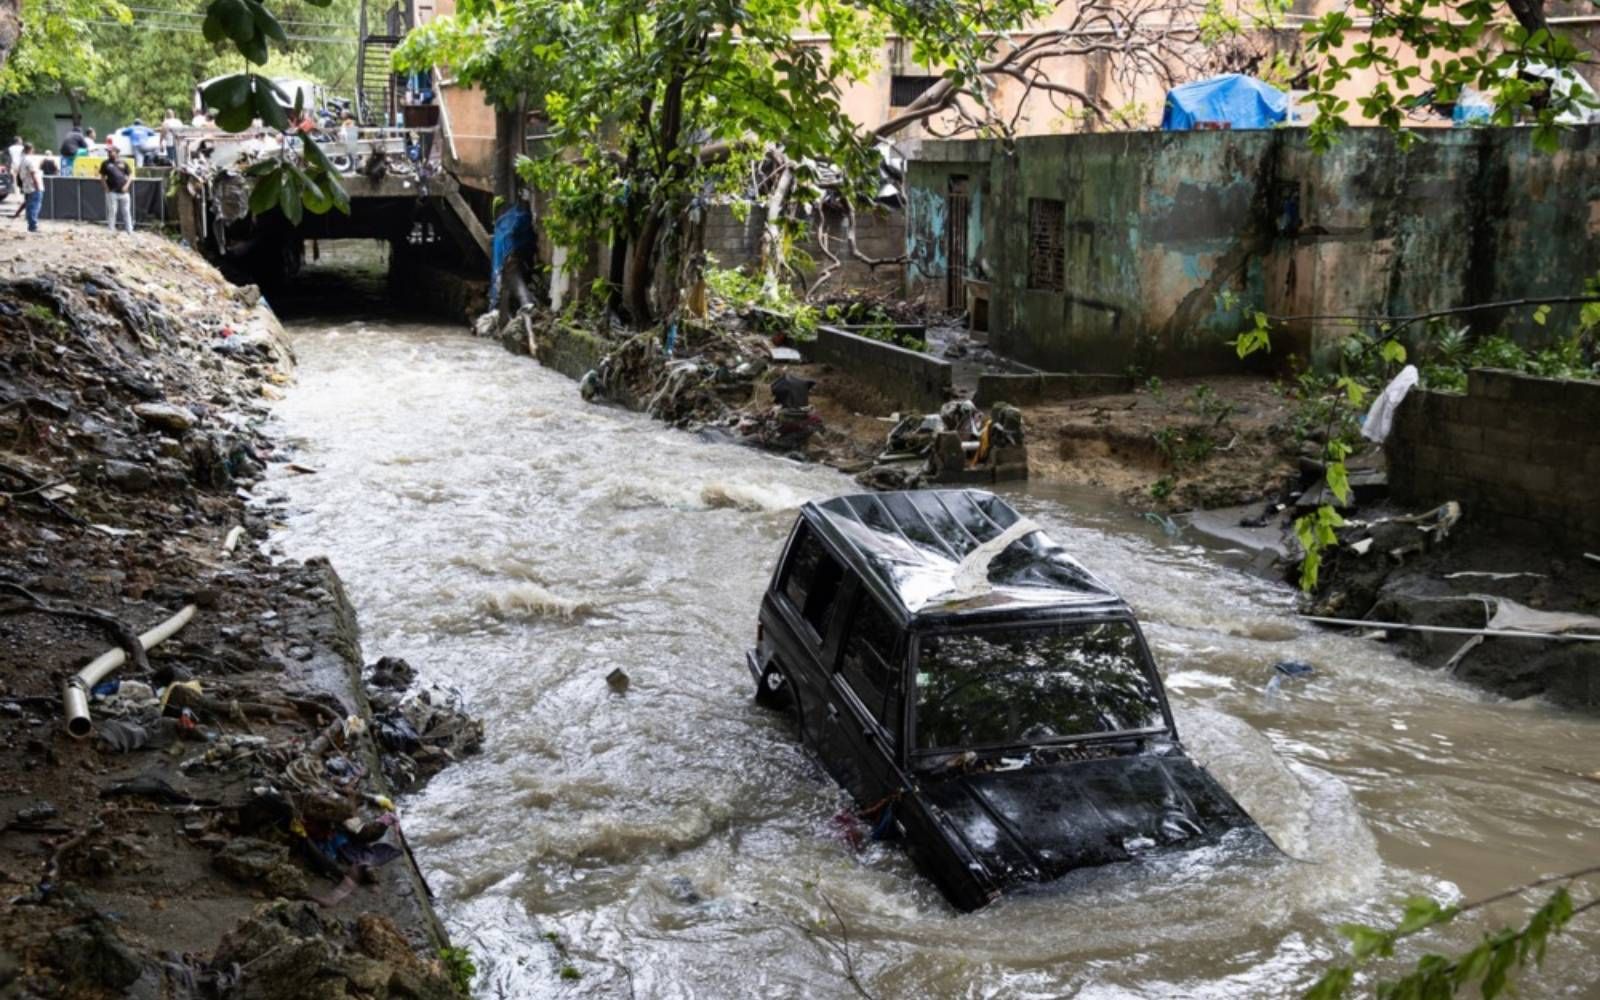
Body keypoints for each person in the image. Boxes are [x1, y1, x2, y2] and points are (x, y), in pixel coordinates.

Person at [100, 147, 134, 234]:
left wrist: (127, 185)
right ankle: (111, 230)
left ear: (116, 152)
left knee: (126, 211)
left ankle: (129, 230)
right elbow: (102, 177)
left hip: (124, 191)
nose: (109, 153)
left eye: (111, 152)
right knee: (112, 211)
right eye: (108, 152)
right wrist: (106, 187)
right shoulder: (105, 163)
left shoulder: (123, 162)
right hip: (112, 191)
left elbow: (130, 175)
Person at [18, 143, 44, 233]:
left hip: (26, 185)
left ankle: (31, 225)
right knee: (35, 206)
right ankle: (33, 226)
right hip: (33, 186)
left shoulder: (22, 159)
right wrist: (37, 186)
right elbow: (33, 173)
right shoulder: (30, 160)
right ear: (31, 149)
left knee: (30, 206)